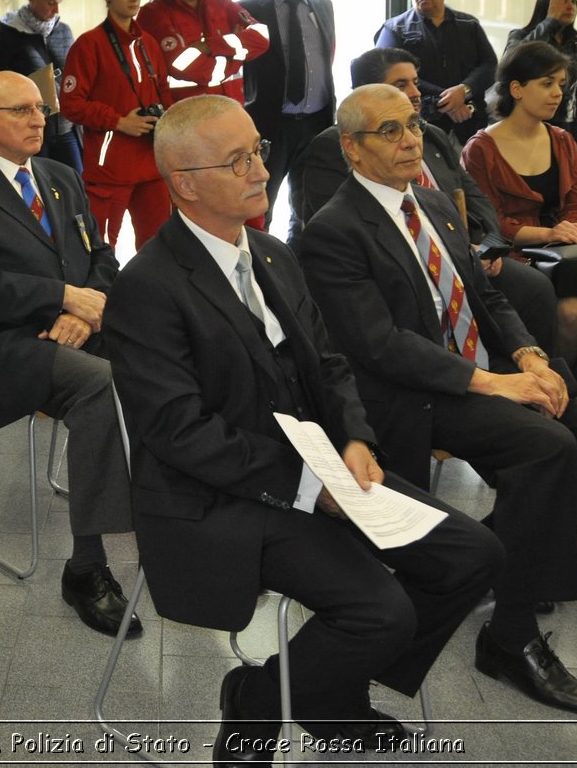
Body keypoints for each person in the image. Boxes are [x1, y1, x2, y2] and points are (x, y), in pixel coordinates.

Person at [105, 95, 504, 763]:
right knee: (382, 610)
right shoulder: (148, 285)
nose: (261, 168)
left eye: (258, 148)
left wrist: (353, 436)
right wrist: (305, 482)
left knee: (474, 554)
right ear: (186, 182)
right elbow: (180, 433)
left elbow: (329, 364)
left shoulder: (272, 254)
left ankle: (314, 686)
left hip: (320, 466)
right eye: (238, 160)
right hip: (221, 498)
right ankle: (261, 701)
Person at [296, 83, 577, 716]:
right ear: (352, 148)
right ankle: (512, 635)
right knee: (547, 447)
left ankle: (496, 560)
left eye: (414, 127)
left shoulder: (431, 202)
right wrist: (495, 383)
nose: (410, 141)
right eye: (389, 131)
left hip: (482, 365)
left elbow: (488, 298)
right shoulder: (333, 231)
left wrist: (529, 356)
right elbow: (380, 346)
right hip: (414, 392)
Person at [0, 71, 138, 638]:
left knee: (166, 361)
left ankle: (174, 522)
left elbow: (102, 259)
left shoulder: (60, 175)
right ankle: (87, 568)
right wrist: (60, 297)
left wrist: (79, 310)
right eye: (20, 110)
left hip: (75, 328)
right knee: (102, 386)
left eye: (41, 108)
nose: (39, 119)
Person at [297, 48, 558, 359]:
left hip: (463, 250)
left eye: (415, 82)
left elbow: (479, 202)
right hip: (405, 263)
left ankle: (544, 378)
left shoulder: (431, 135)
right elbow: (351, 226)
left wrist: (485, 248)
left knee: (537, 290)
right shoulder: (329, 149)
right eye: (400, 85)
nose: (415, 93)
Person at [462, 42, 577, 394]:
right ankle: (555, 398)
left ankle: (575, 400)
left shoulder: (563, 140)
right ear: (517, 89)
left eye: (561, 85)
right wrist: (550, 233)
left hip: (566, 257)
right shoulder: (480, 149)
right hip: (515, 258)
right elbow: (489, 225)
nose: (557, 94)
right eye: (547, 83)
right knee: (571, 313)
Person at [59, 0, 175, 252]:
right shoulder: (89, 45)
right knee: (100, 248)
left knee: (158, 246)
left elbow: (164, 93)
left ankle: (153, 298)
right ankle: (101, 298)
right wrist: (119, 121)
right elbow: (71, 104)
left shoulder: (149, 43)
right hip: (110, 168)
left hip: (152, 163)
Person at [237, 0, 337, 237]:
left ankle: (302, 264)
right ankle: (260, 266)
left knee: (312, 205)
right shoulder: (248, 9)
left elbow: (325, 55)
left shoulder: (322, 6)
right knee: (260, 205)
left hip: (315, 122)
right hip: (270, 124)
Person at [137, 0, 269, 103]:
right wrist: (236, 54)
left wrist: (207, 46)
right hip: (187, 122)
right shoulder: (153, 15)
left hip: (232, 115)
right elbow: (182, 66)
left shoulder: (220, 2)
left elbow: (261, 37)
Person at [375, 0, 497, 144]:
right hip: (418, 126)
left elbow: (489, 65)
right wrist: (449, 100)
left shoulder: (468, 25)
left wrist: (463, 91)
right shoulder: (394, 30)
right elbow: (388, 75)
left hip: (469, 123)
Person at [0, 0, 82, 172]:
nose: (56, 10)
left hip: (65, 128)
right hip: (29, 130)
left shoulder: (64, 31)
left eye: (60, 3)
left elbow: (76, 75)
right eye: (50, 3)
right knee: (36, 187)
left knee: (76, 184)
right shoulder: (9, 35)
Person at [506, 0, 577, 155]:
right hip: (527, 119)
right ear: (547, 3)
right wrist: (550, 22)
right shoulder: (521, 35)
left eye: (574, 1)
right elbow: (511, 62)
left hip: (564, 123)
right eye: (563, 0)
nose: (570, 6)